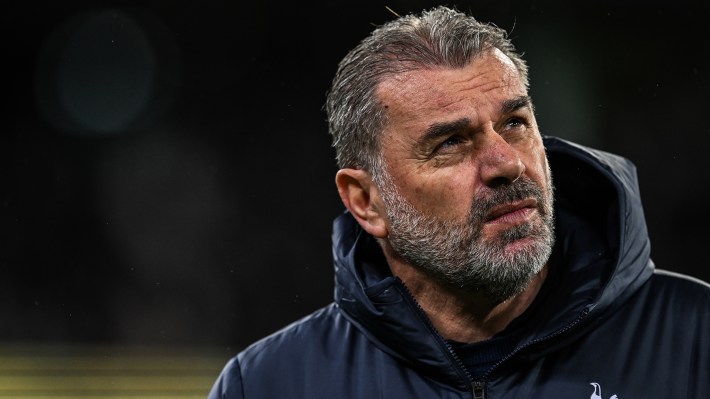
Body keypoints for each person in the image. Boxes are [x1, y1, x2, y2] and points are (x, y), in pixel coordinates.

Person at [208, 6, 710, 398]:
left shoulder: (697, 341)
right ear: (366, 201)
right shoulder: (267, 386)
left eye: (515, 123)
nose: (505, 163)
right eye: (450, 142)